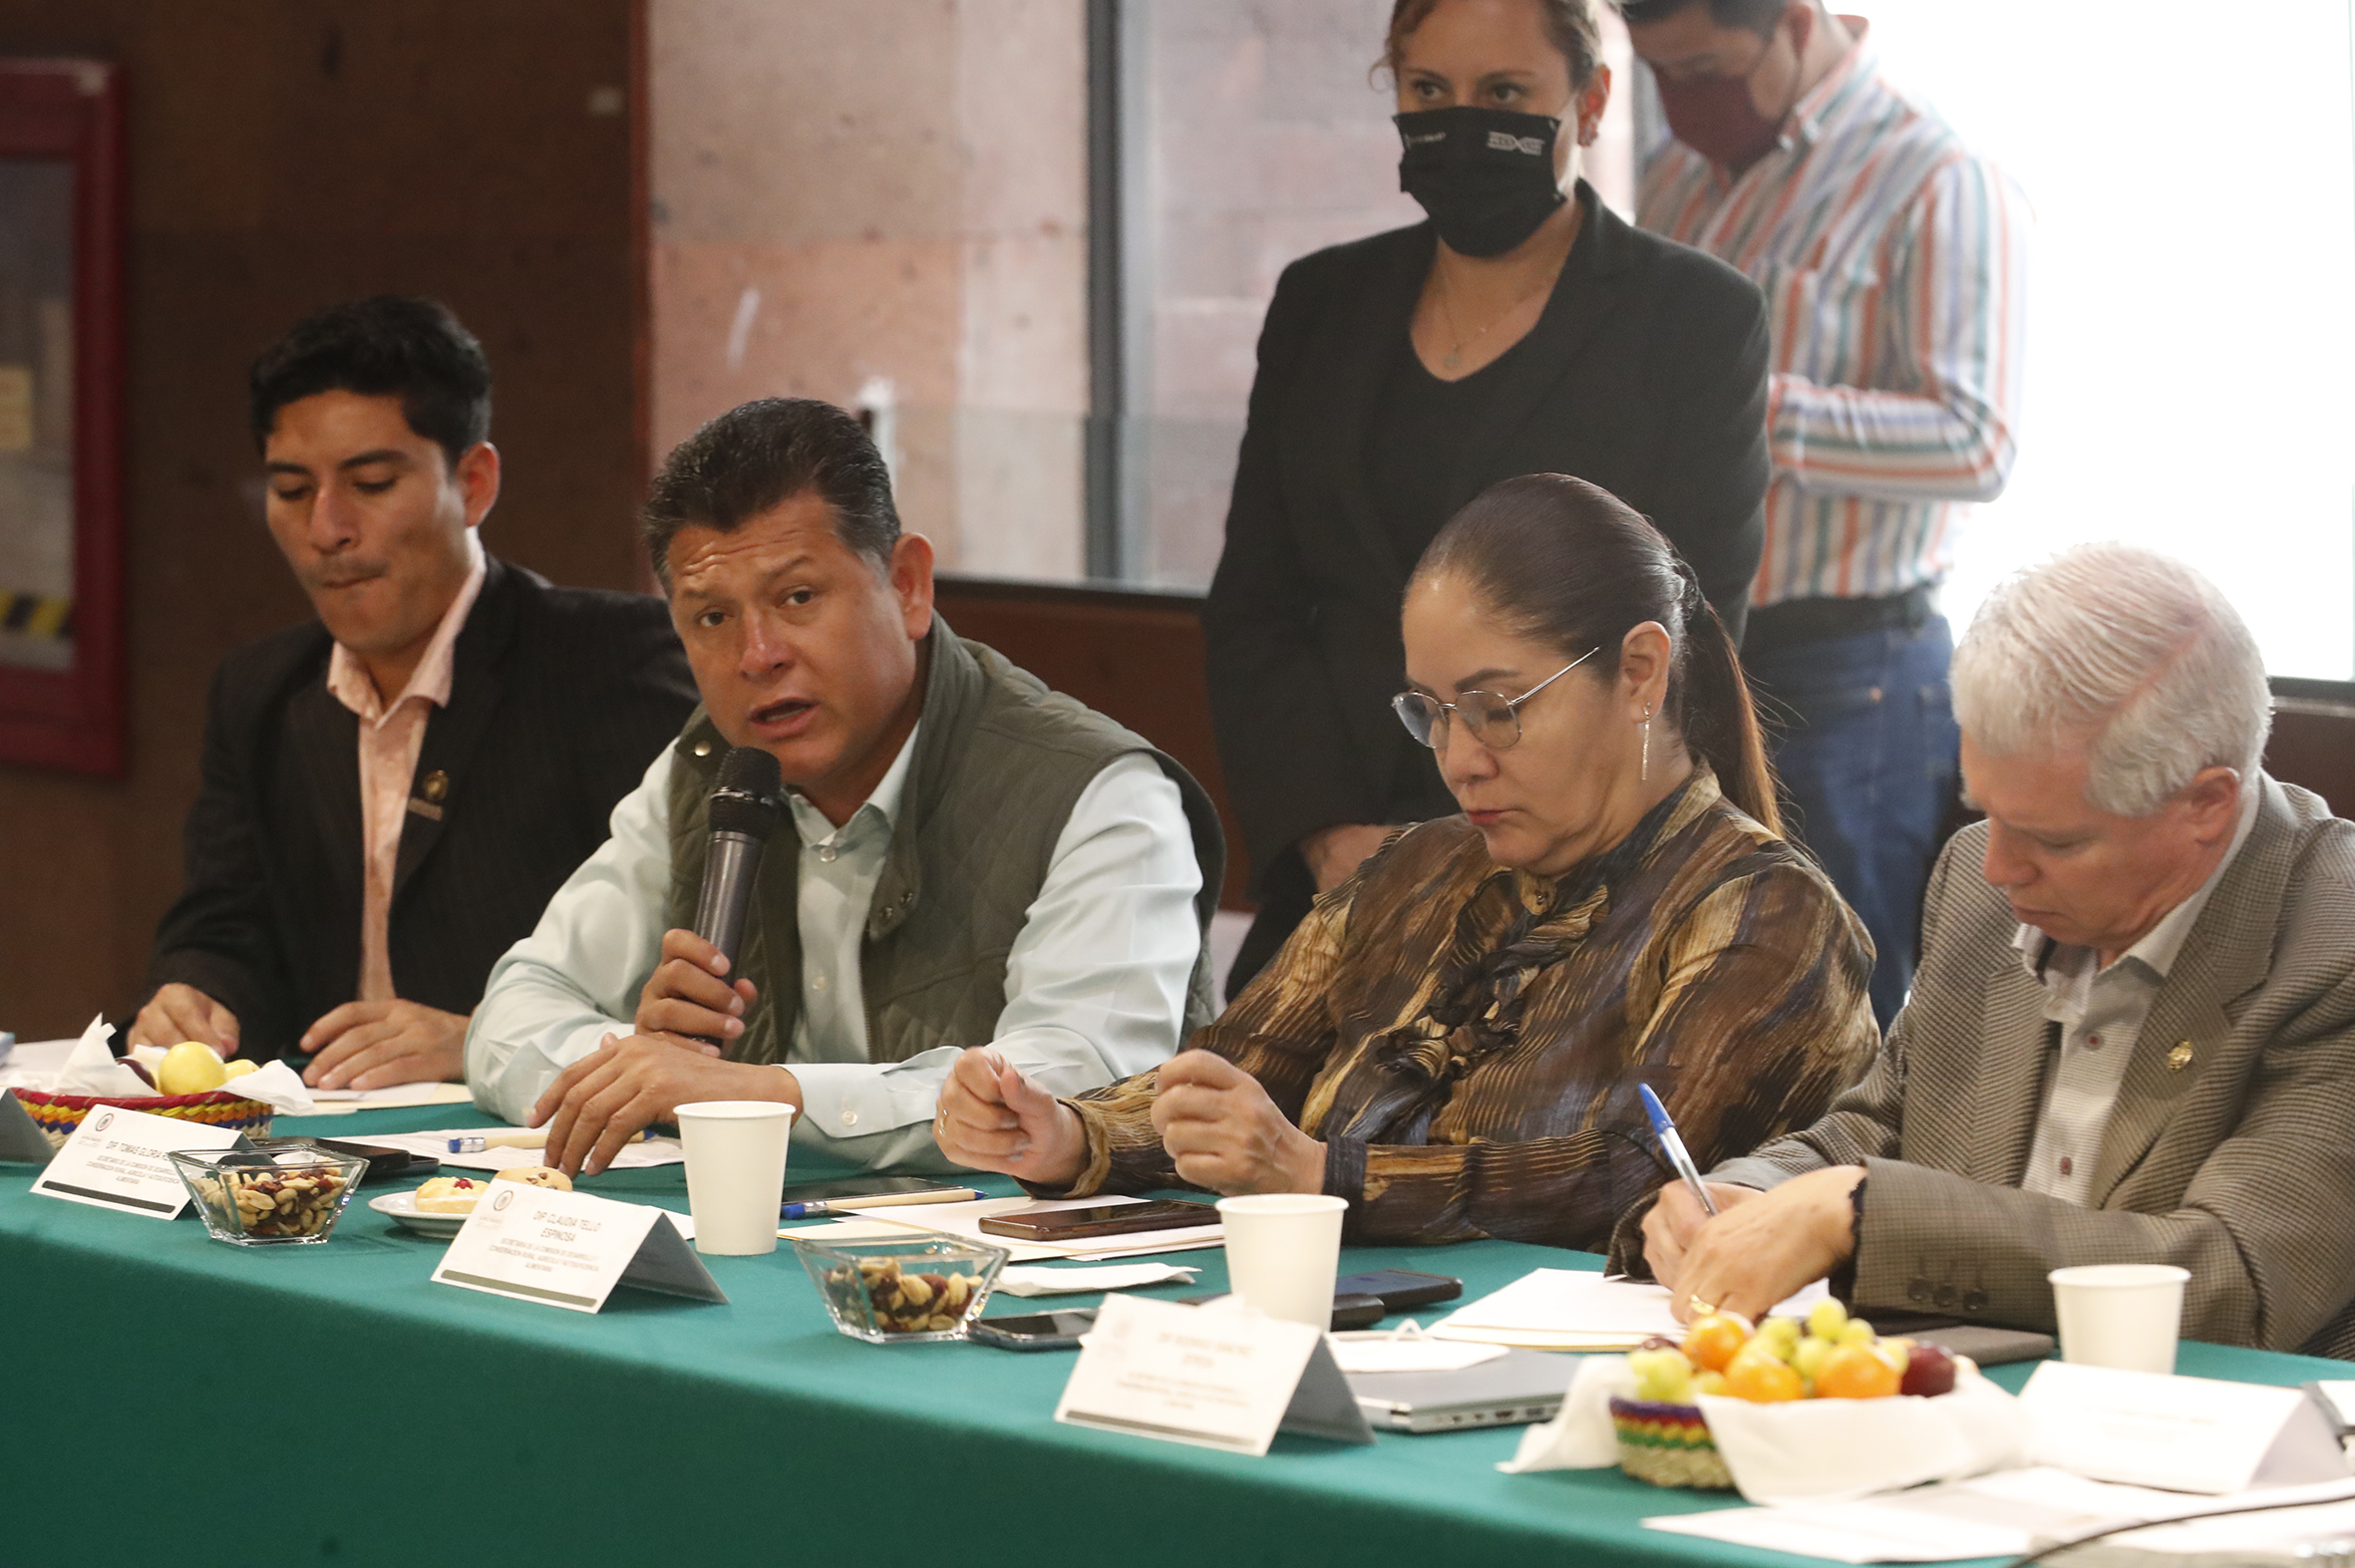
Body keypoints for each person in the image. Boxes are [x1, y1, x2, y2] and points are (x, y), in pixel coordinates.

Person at [938, 475, 1874, 1250]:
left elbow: (1633, 1178)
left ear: (1638, 672)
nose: (1460, 758)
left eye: (1498, 707)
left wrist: (1318, 1172)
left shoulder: (1766, 910)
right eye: (1432, 711)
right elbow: (1234, 1073)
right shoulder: (1419, 869)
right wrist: (1069, 1132)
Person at [468, 398, 1225, 1176]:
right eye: (713, 617)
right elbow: (516, 1006)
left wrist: (754, 1094)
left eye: (797, 598)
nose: (757, 655)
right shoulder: (707, 770)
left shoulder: (1100, 793)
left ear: (908, 586)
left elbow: (1077, 1079)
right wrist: (634, 1065)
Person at [1629, 545, 2355, 1358]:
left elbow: (2236, 1280)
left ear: (2207, 805)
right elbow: (1881, 1127)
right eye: (1984, 811)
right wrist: (1749, 1195)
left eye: (2055, 839)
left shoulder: (2336, 943)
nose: (1999, 866)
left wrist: (1862, 1214)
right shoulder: (1978, 884)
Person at [1206, 0, 1774, 997]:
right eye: (1428, 91)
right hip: (1339, 881)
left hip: (1574, 892)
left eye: (1504, 94)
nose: (1460, 123)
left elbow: (1688, 634)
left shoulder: (1693, 317)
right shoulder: (1319, 303)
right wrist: (1329, 836)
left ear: (1589, 102)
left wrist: (1479, 857)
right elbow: (1256, 604)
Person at [132, 297, 697, 1087]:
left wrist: (485, 1040)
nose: (327, 529)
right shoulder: (259, 690)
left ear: (474, 483)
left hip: (536, 1135)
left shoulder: (610, 663)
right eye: (291, 490)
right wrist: (196, 993)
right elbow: (227, 922)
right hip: (325, 1127)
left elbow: (703, 962)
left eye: (370, 483)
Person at [1616, 0, 2029, 1027]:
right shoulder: (1676, 173)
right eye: (1658, 74)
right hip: (1688, 645)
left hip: (1851, 673)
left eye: (1703, 70)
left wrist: (1753, 406)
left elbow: (1975, 441)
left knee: (1836, 1009)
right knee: (1682, 989)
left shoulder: (1936, 178)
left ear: (1795, 21)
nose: (1682, 102)